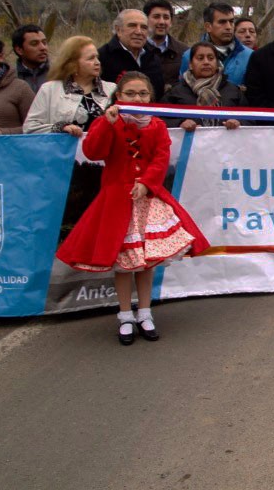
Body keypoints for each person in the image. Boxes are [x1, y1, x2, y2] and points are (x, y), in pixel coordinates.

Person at [55, 72, 209, 344]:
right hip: (117, 200)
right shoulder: (109, 122)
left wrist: (147, 183)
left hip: (147, 201)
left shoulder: (157, 125)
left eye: (142, 94)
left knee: (146, 261)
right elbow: (93, 151)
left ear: (150, 97)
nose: (137, 98)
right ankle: (125, 315)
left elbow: (161, 158)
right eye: (131, 94)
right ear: (119, 97)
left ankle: (145, 312)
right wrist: (105, 122)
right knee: (124, 264)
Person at [24, 36, 115, 136]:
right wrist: (60, 127)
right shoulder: (49, 90)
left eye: (97, 57)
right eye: (91, 58)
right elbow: (30, 127)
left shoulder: (112, 89)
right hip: (62, 150)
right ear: (73, 63)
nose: (97, 62)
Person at [161, 42, 248, 131]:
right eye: (200, 58)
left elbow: (251, 119)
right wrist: (180, 123)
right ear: (190, 64)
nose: (206, 62)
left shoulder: (233, 91)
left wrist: (238, 122)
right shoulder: (176, 92)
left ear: (217, 63)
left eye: (211, 58)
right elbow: (160, 120)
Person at [179, 2, 252, 87]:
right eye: (222, 22)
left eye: (231, 21)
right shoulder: (190, 56)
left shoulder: (250, 56)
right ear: (208, 26)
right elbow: (182, 92)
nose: (228, 27)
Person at [99, 9, 166, 99]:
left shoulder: (154, 58)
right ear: (118, 30)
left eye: (144, 27)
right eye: (132, 26)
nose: (139, 32)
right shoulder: (102, 57)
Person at [0, 32, 34, 140]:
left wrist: (2, 132)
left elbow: (38, 128)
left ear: (0, 57)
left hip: (10, 154)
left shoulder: (20, 88)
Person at [143, 0, 189, 92]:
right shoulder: (137, 50)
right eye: (156, 17)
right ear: (146, 19)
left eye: (166, 17)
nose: (161, 22)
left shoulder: (185, 52)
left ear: (171, 22)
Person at [11, 23, 50, 93]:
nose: (43, 48)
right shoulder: (10, 77)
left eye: (44, 42)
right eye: (34, 43)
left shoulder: (59, 74)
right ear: (19, 50)